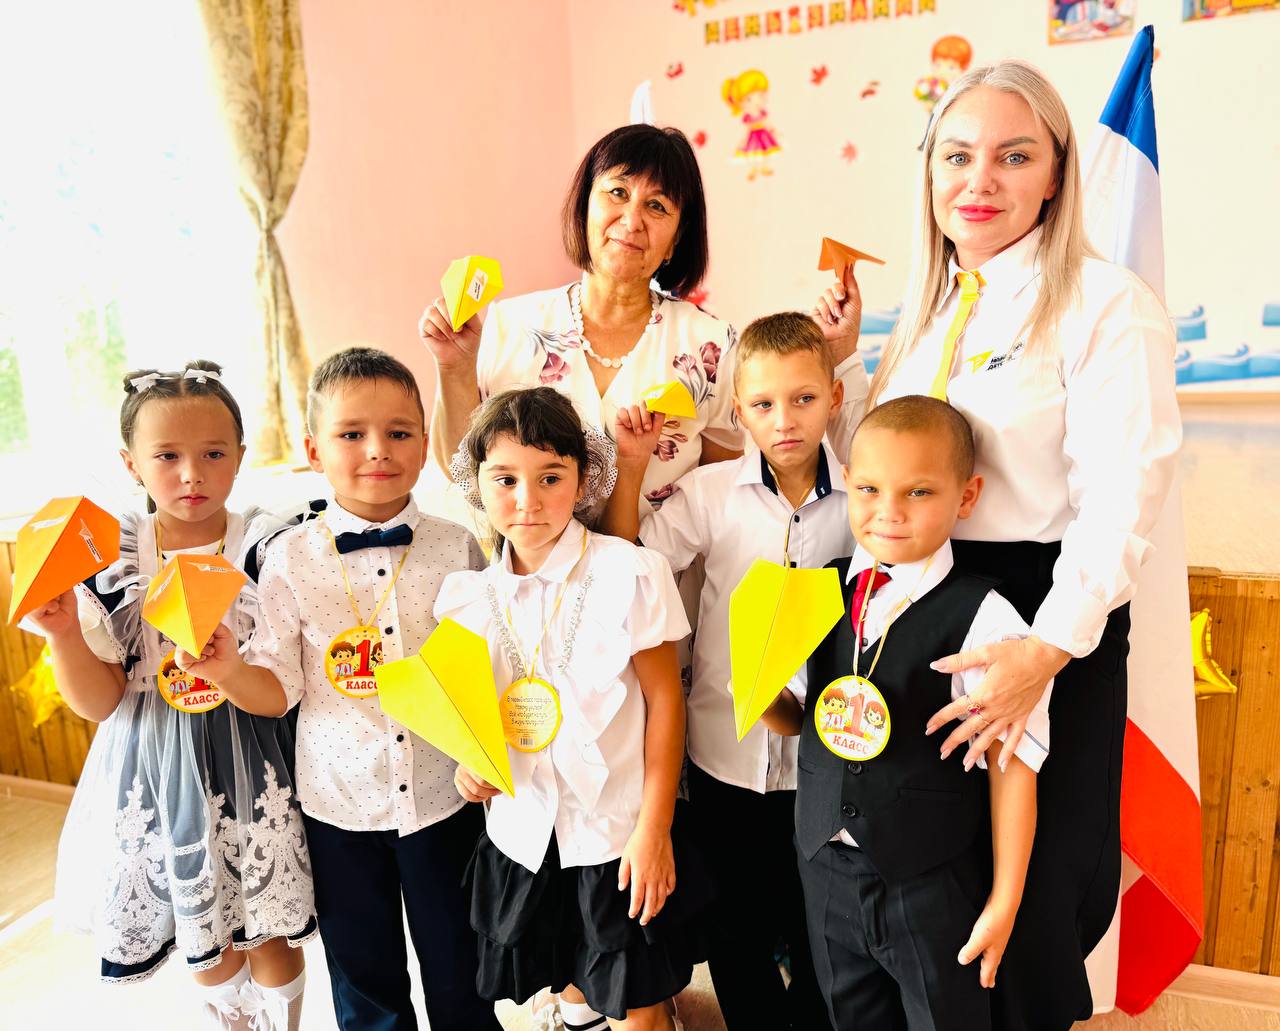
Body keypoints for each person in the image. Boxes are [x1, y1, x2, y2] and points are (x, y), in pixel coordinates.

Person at [813, 60, 1180, 1029]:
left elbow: (1122, 495)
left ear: (1055, 175)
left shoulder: (1103, 302)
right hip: (922, 611)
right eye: (957, 156)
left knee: (1028, 914)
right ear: (928, 171)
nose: (978, 181)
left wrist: (1044, 650)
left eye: (1013, 157)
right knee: (927, 902)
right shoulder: (926, 314)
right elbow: (888, 473)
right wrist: (844, 371)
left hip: (1038, 612)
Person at [182, 348, 500, 1031]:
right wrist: (227, 670)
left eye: (399, 432)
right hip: (338, 804)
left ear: (424, 441)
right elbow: (279, 689)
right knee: (363, 975)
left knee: (462, 963)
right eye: (351, 433)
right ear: (312, 450)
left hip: (445, 795)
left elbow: (481, 668)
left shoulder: (459, 546)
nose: (378, 449)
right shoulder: (288, 557)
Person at [26, 361, 313, 1030]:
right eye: (167, 456)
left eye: (213, 453)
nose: (192, 474)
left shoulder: (269, 545)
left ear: (240, 455)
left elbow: (284, 674)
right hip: (155, 767)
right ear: (131, 463)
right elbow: (101, 701)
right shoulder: (111, 559)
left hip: (253, 753)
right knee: (202, 930)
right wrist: (64, 633)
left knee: (268, 926)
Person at [762, 395, 1052, 1031]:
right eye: (869, 489)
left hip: (929, 880)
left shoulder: (987, 619)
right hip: (825, 866)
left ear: (966, 496)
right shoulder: (817, 590)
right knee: (849, 1015)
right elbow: (796, 719)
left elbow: (1013, 765)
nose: (888, 512)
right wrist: (760, 697)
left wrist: (1005, 900)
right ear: (848, 483)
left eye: (918, 492)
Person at [419, 123, 868, 517]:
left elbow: (721, 500)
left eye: (657, 206)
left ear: (675, 241)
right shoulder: (508, 325)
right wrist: (454, 366)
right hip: (528, 578)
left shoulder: (713, 345)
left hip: (665, 578)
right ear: (585, 206)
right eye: (617, 193)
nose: (632, 220)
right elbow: (462, 471)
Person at [603, 312, 846, 1031]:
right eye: (763, 404)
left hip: (823, 760)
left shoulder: (864, 500)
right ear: (738, 410)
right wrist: (631, 467)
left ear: (834, 398)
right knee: (735, 928)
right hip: (724, 757)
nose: (784, 420)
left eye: (803, 398)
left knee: (818, 927)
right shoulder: (709, 494)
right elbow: (630, 568)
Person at [439, 387, 707, 1031]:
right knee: (565, 982)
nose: (527, 500)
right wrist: (467, 767)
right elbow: (470, 717)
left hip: (616, 833)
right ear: (478, 483)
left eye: (550, 477)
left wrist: (655, 829)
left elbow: (665, 700)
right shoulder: (466, 598)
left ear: (583, 480)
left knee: (636, 1002)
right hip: (524, 833)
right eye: (505, 479)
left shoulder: (629, 573)